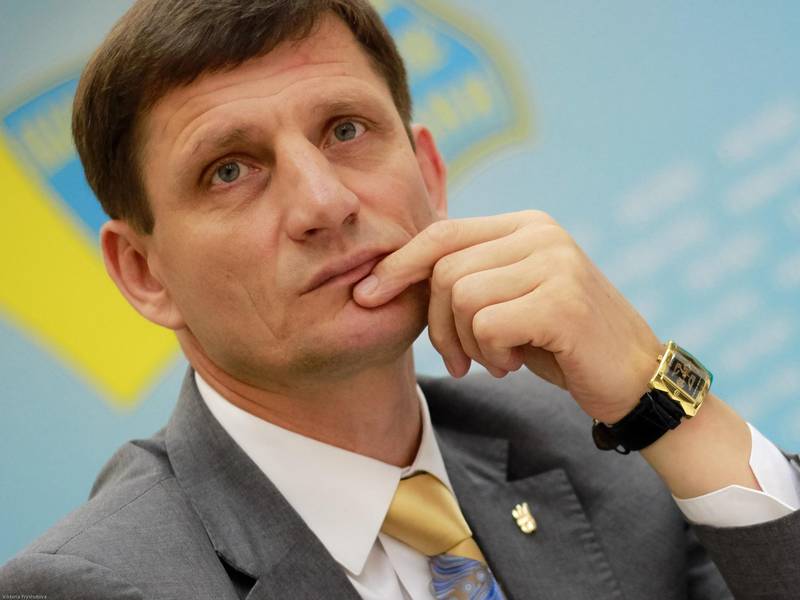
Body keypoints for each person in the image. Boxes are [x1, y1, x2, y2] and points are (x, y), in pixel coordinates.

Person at [1, 1, 798, 598]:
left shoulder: (581, 439)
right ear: (144, 273)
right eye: (229, 170)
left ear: (430, 175)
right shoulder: (97, 584)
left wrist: (662, 401)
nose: (324, 203)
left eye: (345, 130)